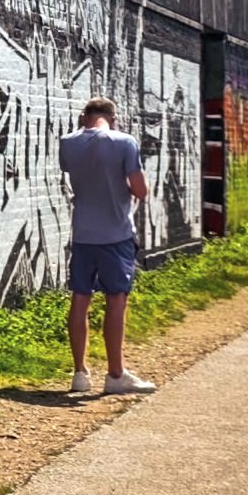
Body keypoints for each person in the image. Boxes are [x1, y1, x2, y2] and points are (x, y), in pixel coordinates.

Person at [57, 98, 152, 399]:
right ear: (113, 117)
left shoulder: (67, 143)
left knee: (80, 300)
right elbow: (140, 190)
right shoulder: (125, 142)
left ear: (83, 116)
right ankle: (115, 374)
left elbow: (75, 174)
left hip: (83, 234)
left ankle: (80, 373)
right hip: (116, 235)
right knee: (116, 301)